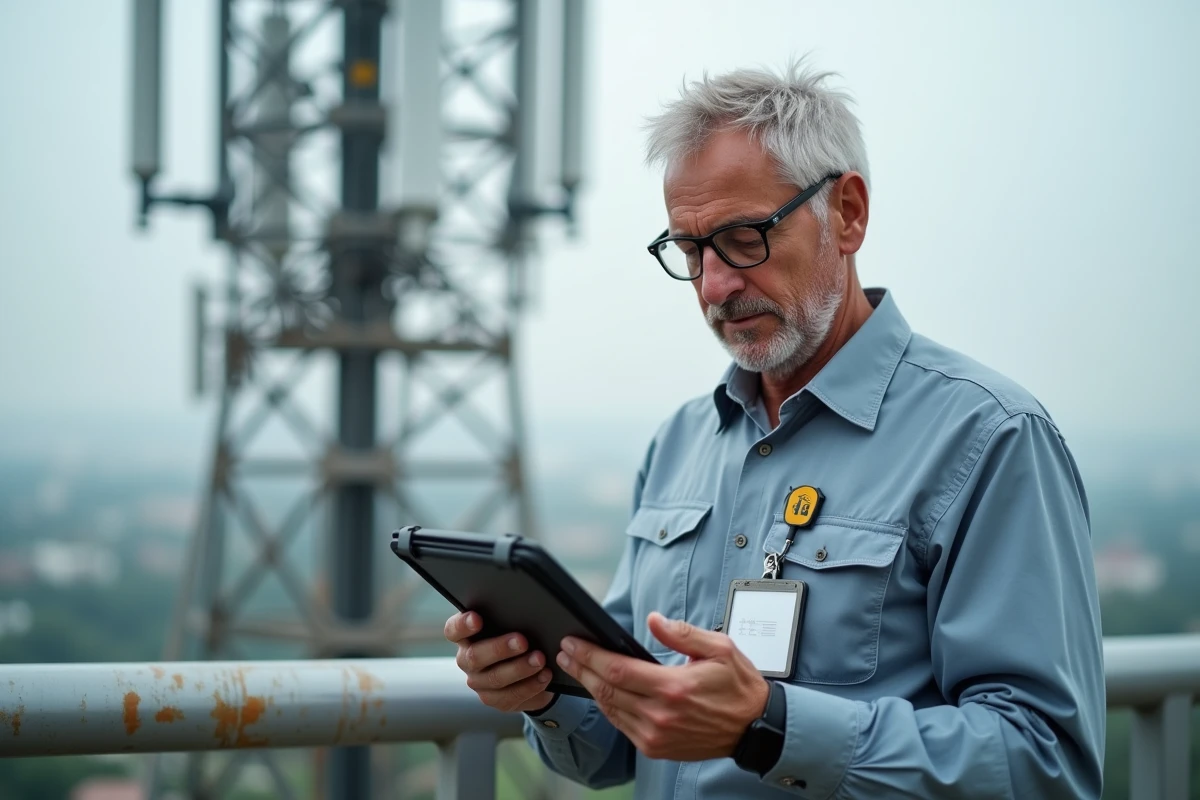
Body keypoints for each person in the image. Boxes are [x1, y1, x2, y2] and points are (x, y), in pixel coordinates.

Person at [443, 61, 1105, 798]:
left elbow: (1045, 764)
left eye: (743, 237)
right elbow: (610, 753)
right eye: (690, 251)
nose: (715, 286)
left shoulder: (989, 438)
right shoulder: (681, 443)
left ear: (847, 213)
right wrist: (544, 691)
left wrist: (769, 726)